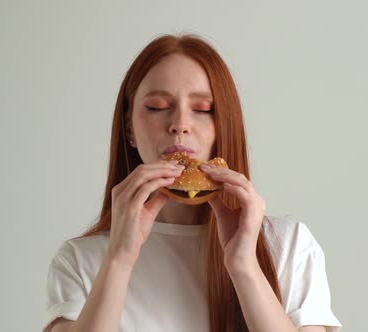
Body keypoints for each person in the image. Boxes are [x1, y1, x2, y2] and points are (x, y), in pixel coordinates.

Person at [43, 34, 342, 332]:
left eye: (202, 110)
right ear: (129, 129)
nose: (180, 124)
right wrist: (119, 259)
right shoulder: (79, 261)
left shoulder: (288, 246)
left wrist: (244, 267)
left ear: (224, 127)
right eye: (157, 107)